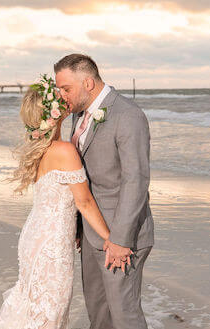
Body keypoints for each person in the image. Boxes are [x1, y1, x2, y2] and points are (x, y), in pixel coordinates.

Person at [0, 75, 112, 329]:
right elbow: (85, 202)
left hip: (34, 239)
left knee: (38, 312)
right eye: (61, 100)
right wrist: (110, 239)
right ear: (54, 113)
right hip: (51, 247)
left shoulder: (42, 150)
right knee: (50, 315)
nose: (66, 101)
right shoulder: (64, 151)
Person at [55, 54, 154, 329]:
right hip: (91, 234)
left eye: (66, 89)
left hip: (122, 237)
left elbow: (136, 180)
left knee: (124, 317)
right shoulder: (79, 115)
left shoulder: (128, 116)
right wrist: (78, 227)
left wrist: (121, 240)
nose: (62, 95)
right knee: (98, 314)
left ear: (87, 82)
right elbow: (83, 177)